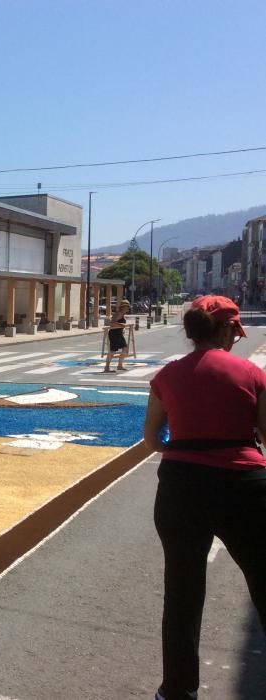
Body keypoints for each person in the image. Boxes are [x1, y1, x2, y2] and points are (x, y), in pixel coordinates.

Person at [143, 295, 266, 700]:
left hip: (179, 484)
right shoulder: (250, 372)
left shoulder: (167, 375)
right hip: (242, 484)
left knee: (182, 590)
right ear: (228, 329)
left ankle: (176, 690)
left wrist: (181, 448)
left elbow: (151, 439)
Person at [104, 299, 131, 372]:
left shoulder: (122, 314)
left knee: (125, 348)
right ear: (123, 307)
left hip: (119, 333)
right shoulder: (118, 313)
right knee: (113, 351)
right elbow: (111, 323)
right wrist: (121, 325)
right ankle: (106, 367)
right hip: (114, 333)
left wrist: (122, 327)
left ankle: (120, 365)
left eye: (128, 307)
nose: (128, 308)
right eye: (126, 307)